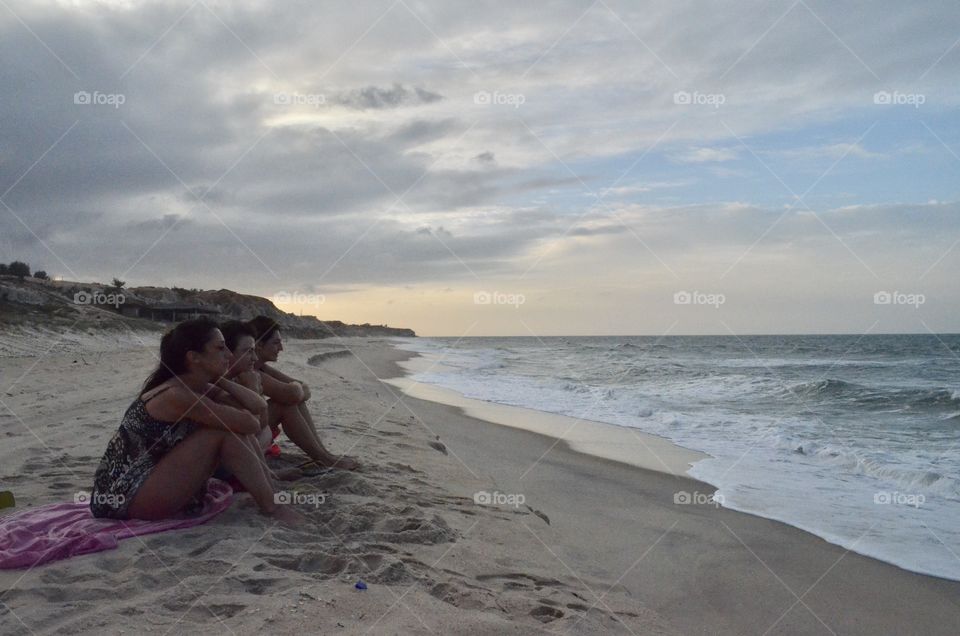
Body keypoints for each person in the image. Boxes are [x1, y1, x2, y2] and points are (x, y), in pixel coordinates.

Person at [90, 318, 305, 525]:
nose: (229, 355)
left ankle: (269, 486)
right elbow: (250, 423)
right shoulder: (176, 394)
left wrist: (222, 381)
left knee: (232, 426)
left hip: (149, 484)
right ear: (194, 357)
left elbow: (258, 408)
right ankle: (272, 507)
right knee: (225, 432)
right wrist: (228, 385)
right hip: (122, 498)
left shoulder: (200, 387)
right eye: (221, 349)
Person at [247, 315, 359, 470]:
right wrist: (296, 391)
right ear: (259, 345)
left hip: (253, 429)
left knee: (292, 400)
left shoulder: (261, 367)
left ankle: (323, 454)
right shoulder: (249, 370)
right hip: (244, 435)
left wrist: (296, 391)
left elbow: (303, 389)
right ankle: (323, 457)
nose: (281, 348)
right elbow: (291, 393)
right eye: (276, 343)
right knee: (285, 404)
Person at [219, 320, 302, 481]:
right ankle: (267, 479)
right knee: (259, 428)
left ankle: (324, 456)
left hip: (240, 448)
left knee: (268, 424)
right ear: (229, 353)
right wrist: (253, 388)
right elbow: (255, 425)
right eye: (248, 351)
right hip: (222, 462)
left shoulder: (244, 374)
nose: (254, 357)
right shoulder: (219, 383)